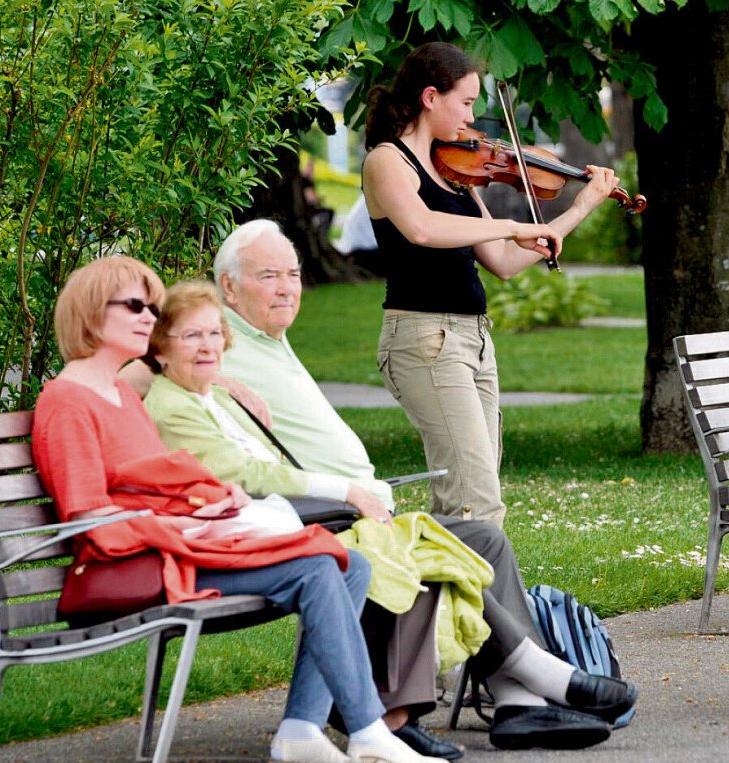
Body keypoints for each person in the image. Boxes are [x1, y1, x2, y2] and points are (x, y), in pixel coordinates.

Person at [140, 279, 635, 752]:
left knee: (483, 538)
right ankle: (469, 694)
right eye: (190, 336)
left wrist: (226, 385)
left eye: (212, 333)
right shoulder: (172, 406)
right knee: (414, 557)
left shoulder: (217, 395)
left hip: (312, 517)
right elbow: (248, 473)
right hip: (284, 529)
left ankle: (518, 699)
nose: (207, 345)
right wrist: (348, 491)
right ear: (160, 349)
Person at [32, 256, 446, 763]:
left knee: (352, 564)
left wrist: (211, 498)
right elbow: (86, 515)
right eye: (136, 306)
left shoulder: (118, 391)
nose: (149, 318)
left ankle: (302, 728)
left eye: (154, 307)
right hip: (136, 564)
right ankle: (364, 730)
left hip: (177, 547)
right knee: (321, 566)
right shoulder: (69, 402)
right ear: (93, 313)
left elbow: (154, 475)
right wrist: (182, 521)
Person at [360, 41, 621, 527]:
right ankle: (475, 602)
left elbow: (503, 260)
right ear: (430, 97)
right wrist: (511, 225)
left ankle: (451, 599)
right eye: (466, 102)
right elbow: (422, 229)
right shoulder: (386, 162)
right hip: (424, 339)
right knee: (474, 500)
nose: (473, 116)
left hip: (472, 340)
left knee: (473, 496)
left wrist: (582, 206)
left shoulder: (455, 174)